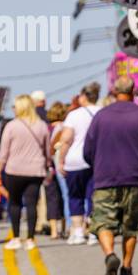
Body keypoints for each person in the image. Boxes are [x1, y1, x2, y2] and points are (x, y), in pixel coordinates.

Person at [83, 78, 138, 275]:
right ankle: (126, 269)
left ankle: (109, 255)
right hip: (133, 177)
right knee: (131, 226)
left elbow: (87, 151)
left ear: (115, 91)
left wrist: (98, 164)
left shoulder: (101, 117)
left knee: (102, 222)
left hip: (105, 178)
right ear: (133, 91)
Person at [0, 94, 52, 251]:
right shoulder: (41, 125)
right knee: (32, 203)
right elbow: (47, 150)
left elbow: (3, 152)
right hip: (36, 170)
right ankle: (31, 238)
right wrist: (47, 165)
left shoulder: (11, 126)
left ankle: (15, 237)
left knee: (14, 203)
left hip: (14, 170)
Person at [56, 82, 101, 245]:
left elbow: (66, 139)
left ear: (83, 97)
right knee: (93, 196)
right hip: (97, 161)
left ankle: (77, 232)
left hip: (74, 161)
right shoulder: (102, 113)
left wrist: (60, 160)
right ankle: (94, 232)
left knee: (75, 197)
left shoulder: (74, 115)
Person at [46, 101, 69, 238]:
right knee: (66, 196)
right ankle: (66, 227)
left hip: (49, 168)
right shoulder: (65, 127)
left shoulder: (47, 129)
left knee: (52, 198)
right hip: (62, 165)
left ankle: (54, 230)